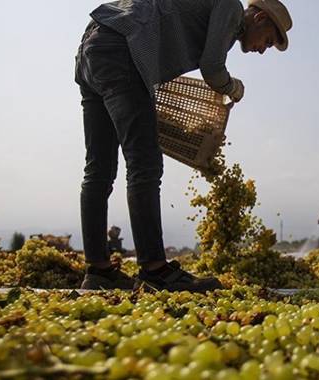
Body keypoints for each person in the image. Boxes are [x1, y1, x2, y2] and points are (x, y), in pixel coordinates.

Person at [75, 0, 293, 291]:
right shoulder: (230, 7)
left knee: (98, 169)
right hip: (122, 49)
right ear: (260, 18)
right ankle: (155, 270)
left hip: (94, 48)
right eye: (268, 40)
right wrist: (233, 87)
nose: (263, 49)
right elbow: (212, 68)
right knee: (145, 164)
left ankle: (98, 270)